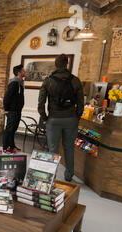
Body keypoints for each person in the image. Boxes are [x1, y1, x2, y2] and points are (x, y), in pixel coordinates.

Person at [38, 54, 84, 182]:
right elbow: (81, 103)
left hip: (53, 119)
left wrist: (45, 117)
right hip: (71, 119)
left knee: (52, 149)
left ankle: (50, 177)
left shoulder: (48, 80)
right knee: (69, 147)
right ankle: (69, 176)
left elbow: (41, 103)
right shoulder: (75, 80)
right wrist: (77, 116)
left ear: (55, 64)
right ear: (67, 64)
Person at [3, 64, 25, 154]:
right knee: (9, 129)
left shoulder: (20, 83)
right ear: (19, 73)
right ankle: (5, 147)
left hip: (17, 110)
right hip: (12, 111)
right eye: (23, 70)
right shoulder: (14, 83)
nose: (25, 72)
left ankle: (12, 146)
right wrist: (6, 109)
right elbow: (7, 96)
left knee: (13, 129)